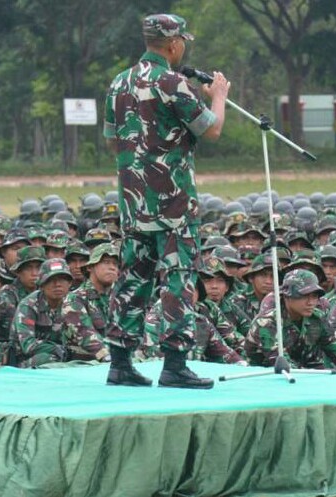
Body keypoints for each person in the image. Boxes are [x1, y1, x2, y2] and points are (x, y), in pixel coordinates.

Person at [102, 13, 229, 389]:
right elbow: (212, 129)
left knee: (132, 278)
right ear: (174, 44)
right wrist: (219, 97)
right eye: (183, 41)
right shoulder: (173, 83)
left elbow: (111, 140)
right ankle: (174, 364)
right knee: (179, 278)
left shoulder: (119, 82)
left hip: (133, 201)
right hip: (173, 203)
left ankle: (120, 363)